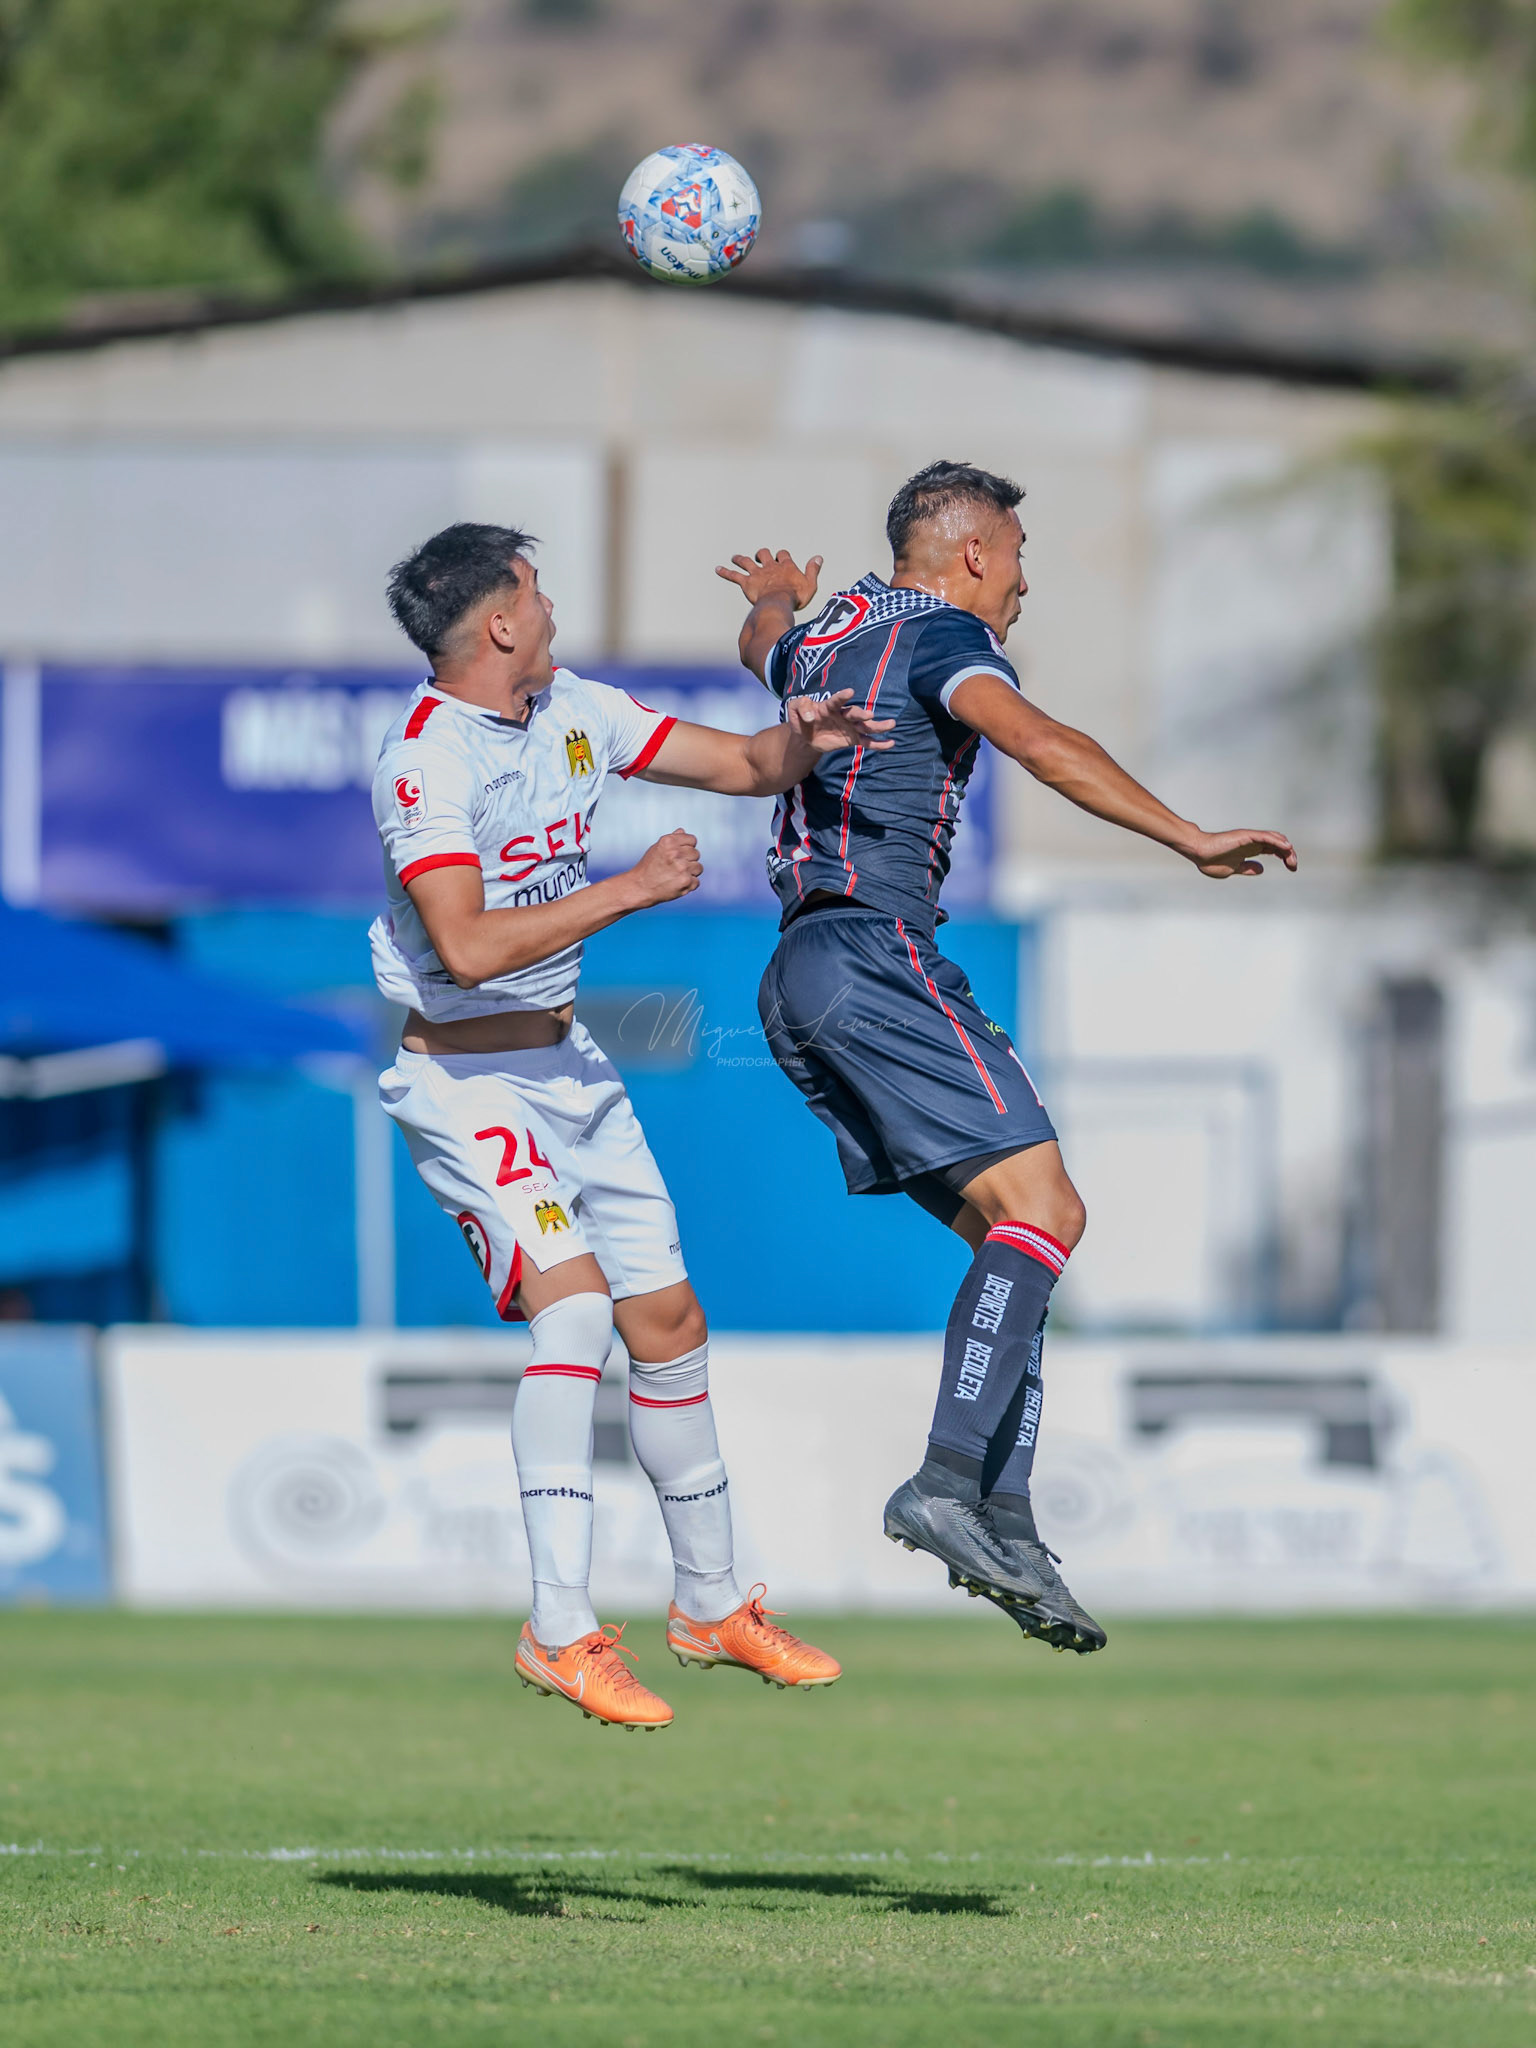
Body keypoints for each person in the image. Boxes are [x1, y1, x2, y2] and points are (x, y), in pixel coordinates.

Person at [719, 461, 1297, 1655]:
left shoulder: (828, 637)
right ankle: (944, 1482)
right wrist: (1184, 834)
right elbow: (1035, 740)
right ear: (974, 552)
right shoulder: (944, 641)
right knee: (1047, 1207)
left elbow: (763, 644)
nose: (1026, 581)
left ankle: (1004, 1514)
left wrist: (776, 597)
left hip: (798, 973)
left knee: (1017, 1233)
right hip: (876, 952)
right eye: (1022, 556)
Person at [372, 522, 889, 1728]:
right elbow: (464, 944)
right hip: (463, 1079)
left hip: (569, 1064)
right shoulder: (422, 762)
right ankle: (559, 1627)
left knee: (666, 1316)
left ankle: (712, 1601)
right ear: (498, 620)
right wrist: (633, 889)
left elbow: (751, 766)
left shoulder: (578, 707)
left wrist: (800, 736)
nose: (550, 606)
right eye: (534, 588)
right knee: (581, 1307)